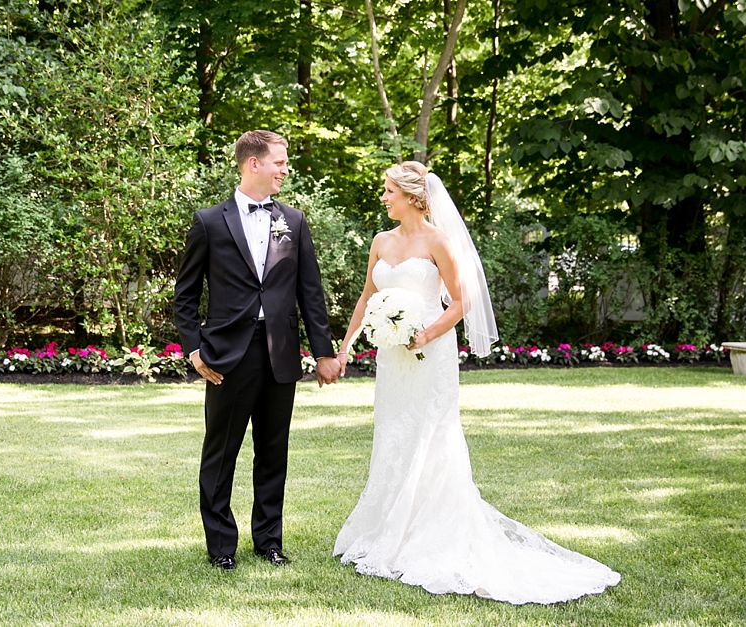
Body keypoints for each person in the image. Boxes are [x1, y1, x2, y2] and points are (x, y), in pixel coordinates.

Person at [332, 161, 621, 604]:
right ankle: (387, 526)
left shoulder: (438, 241)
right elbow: (367, 296)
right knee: (394, 433)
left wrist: (424, 332)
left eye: (389, 191)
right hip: (393, 355)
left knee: (431, 434)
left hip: (429, 350)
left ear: (411, 196)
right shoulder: (380, 241)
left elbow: (462, 301)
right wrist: (349, 343)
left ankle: (430, 533)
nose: (384, 198)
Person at [173, 130, 341, 572]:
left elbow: (311, 292)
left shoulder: (295, 221)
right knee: (221, 452)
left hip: (280, 353)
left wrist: (323, 352)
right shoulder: (209, 221)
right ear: (254, 164)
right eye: (279, 162)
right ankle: (221, 547)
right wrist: (194, 350)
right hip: (227, 355)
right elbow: (185, 296)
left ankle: (268, 540)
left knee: (273, 452)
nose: (285, 169)